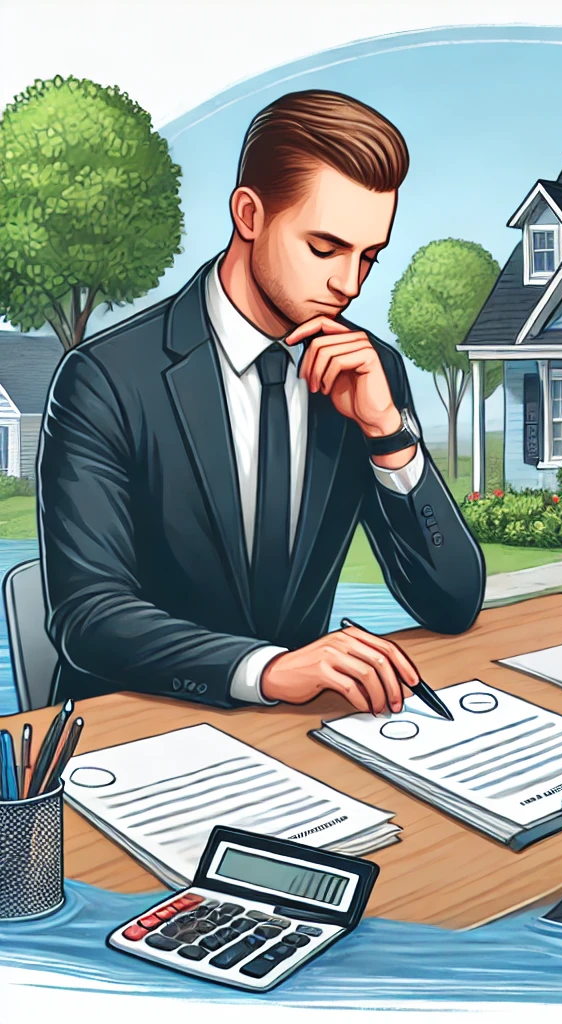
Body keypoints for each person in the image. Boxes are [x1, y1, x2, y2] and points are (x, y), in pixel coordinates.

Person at [37, 90, 485, 714]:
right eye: (325, 248)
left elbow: (454, 604)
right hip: (138, 733)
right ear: (249, 214)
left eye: (369, 257)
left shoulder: (368, 370)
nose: (348, 284)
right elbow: (90, 615)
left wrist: (388, 435)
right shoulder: (106, 378)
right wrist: (266, 669)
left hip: (303, 737)